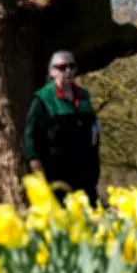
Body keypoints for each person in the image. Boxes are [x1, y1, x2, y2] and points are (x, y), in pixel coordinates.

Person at [24, 51, 101, 206]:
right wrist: (35, 164)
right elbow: (29, 134)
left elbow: (94, 132)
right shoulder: (42, 99)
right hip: (55, 172)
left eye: (72, 66)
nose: (68, 71)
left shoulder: (84, 96)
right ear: (52, 72)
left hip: (85, 174)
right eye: (62, 67)